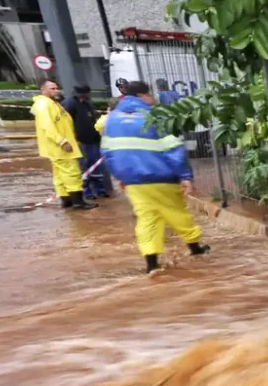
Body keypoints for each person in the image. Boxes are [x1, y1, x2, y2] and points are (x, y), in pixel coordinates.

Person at [101, 80, 209, 274]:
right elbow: (173, 149)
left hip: (133, 181)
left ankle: (151, 264)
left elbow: (107, 152)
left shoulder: (112, 119)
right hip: (161, 176)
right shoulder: (154, 116)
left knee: (147, 219)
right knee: (177, 213)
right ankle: (195, 248)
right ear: (143, 95)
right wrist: (185, 176)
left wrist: (120, 176)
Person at [32, 80, 97, 210]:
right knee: (72, 173)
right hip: (60, 147)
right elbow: (47, 126)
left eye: (56, 88)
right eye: (52, 88)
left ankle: (67, 200)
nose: (56, 91)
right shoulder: (44, 105)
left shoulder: (52, 104)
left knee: (60, 175)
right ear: (42, 90)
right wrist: (62, 141)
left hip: (56, 147)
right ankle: (78, 202)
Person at [62, 85, 110, 199]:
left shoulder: (88, 104)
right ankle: (86, 192)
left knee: (95, 165)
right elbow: (65, 124)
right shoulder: (70, 104)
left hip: (92, 139)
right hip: (80, 141)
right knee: (84, 167)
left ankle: (100, 190)